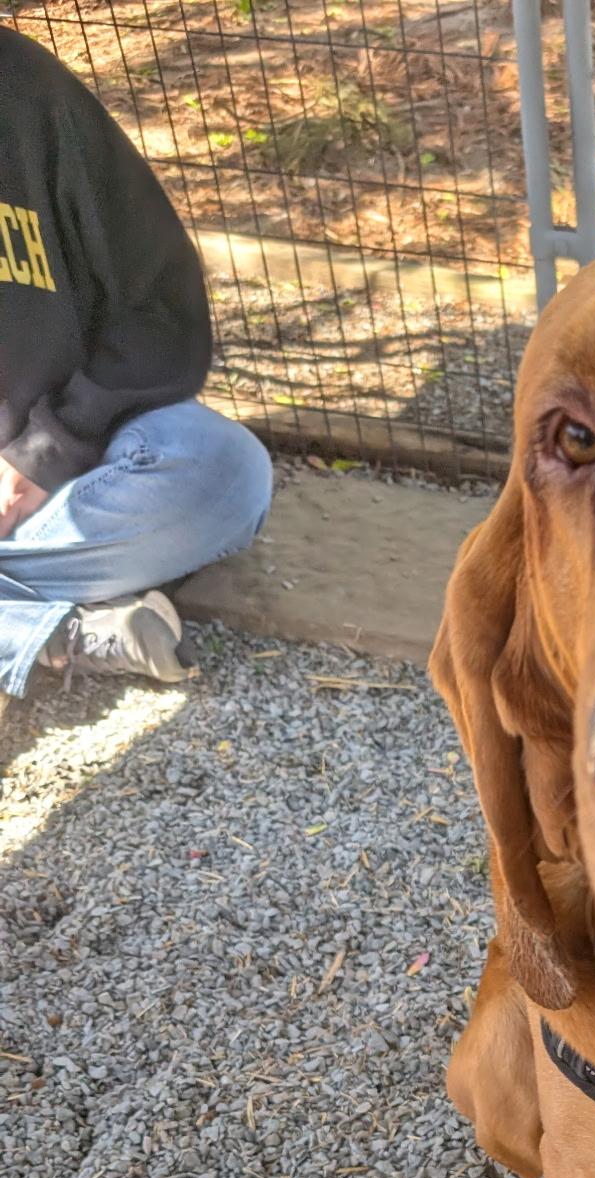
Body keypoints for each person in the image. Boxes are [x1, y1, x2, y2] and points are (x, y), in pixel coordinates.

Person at [0, 24, 272, 702]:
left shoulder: (32, 95)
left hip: (70, 465)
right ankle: (51, 632)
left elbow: (158, 306)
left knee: (225, 471)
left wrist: (40, 455)